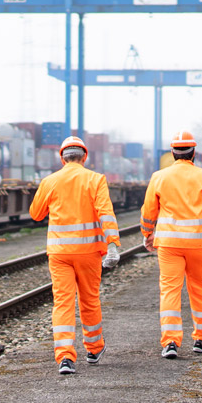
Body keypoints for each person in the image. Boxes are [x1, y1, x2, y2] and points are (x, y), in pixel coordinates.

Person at [29, 135, 121, 375]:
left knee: (63, 302)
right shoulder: (95, 179)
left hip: (59, 254)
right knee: (89, 300)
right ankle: (93, 349)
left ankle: (65, 358)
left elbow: (36, 214)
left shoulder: (50, 181)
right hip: (89, 252)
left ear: (62, 158)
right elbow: (106, 213)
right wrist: (112, 244)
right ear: (85, 156)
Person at [141, 130, 202, 359]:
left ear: (172, 153)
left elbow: (149, 211)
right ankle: (201, 338)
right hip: (199, 245)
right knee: (199, 289)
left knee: (170, 290)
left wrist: (147, 233)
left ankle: (170, 342)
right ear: (194, 153)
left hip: (169, 244)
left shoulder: (159, 177)